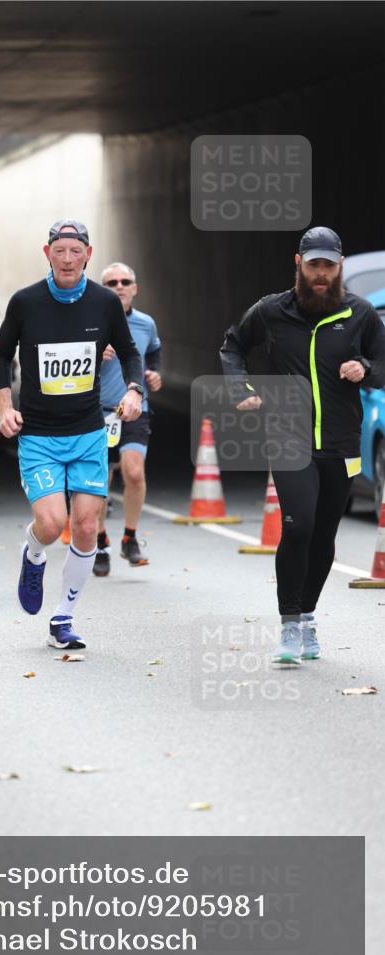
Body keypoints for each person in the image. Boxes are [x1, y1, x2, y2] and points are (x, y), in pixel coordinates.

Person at [220, 226, 385, 664]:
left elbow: (384, 363)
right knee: (298, 526)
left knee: (325, 534)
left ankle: (308, 617)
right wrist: (240, 389)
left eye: (328, 265)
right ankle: (290, 625)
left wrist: (365, 368)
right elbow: (233, 346)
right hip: (287, 437)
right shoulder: (272, 311)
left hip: (341, 442)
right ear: (299, 263)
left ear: (339, 266)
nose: (320, 273)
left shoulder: (361, 314)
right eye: (313, 264)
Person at [0, 220, 143, 650]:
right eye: (61, 251)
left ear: (88, 254)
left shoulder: (104, 302)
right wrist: (4, 406)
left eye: (77, 251)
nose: (68, 259)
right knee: (52, 522)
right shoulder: (25, 302)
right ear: (47, 253)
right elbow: (1, 354)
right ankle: (34, 553)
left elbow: (130, 351)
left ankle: (63, 617)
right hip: (38, 433)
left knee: (86, 526)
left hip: (88, 431)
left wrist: (133, 389)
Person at [93, 261, 162, 576]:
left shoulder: (146, 323)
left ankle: (130, 537)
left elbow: (154, 351)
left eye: (124, 282)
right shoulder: (91, 321)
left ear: (134, 288)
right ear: (101, 289)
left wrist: (155, 374)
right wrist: (93, 352)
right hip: (97, 411)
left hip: (134, 408)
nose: (118, 286)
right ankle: (100, 541)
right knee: (98, 482)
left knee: (134, 473)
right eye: (111, 283)